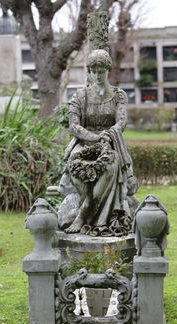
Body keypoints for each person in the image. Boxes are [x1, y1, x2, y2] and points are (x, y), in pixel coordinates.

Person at [58, 49, 138, 237]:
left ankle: (85, 213)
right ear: (89, 71)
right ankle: (87, 205)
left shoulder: (118, 95)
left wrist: (107, 136)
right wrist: (95, 138)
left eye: (101, 70)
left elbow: (121, 121)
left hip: (108, 142)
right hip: (85, 142)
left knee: (110, 166)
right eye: (93, 70)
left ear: (107, 69)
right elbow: (74, 127)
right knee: (76, 166)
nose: (97, 74)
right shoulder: (80, 96)